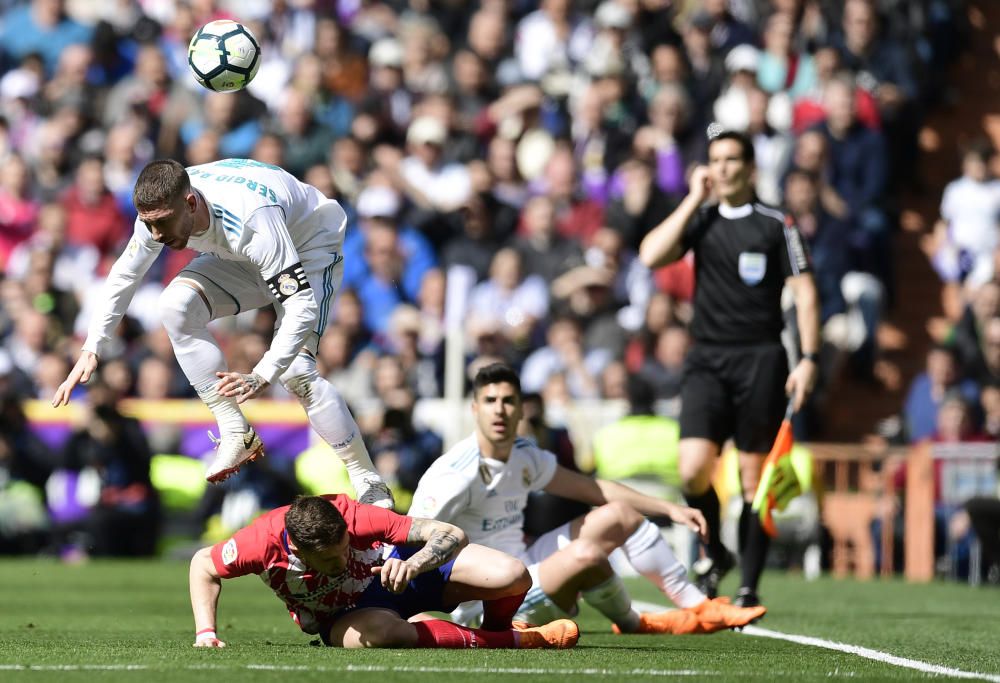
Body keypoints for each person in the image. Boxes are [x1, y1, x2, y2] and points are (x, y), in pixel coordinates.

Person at [50, 158, 392, 508]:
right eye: (148, 224)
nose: (156, 235)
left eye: (162, 223)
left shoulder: (252, 220)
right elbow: (125, 274)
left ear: (191, 203)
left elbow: (301, 306)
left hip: (308, 245)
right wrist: (92, 347)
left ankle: (368, 479)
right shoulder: (161, 208)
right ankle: (235, 430)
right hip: (241, 254)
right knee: (174, 307)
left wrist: (262, 374)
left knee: (296, 372)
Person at [410, 363, 766, 635]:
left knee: (620, 515)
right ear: (475, 409)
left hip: (526, 565)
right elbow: (407, 537)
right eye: (490, 401)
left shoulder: (525, 454)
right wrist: (412, 614)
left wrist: (670, 509)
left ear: (522, 410)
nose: (499, 410)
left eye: (508, 401)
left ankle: (699, 607)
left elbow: (595, 490)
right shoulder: (455, 473)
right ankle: (633, 623)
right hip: (487, 598)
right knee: (586, 555)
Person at [638, 130, 820, 607]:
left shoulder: (776, 222)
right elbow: (650, 254)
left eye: (732, 159)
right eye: (715, 159)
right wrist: (692, 198)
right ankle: (715, 552)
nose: (722, 168)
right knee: (694, 470)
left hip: (760, 358)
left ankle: (748, 589)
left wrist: (808, 359)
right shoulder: (700, 219)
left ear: (750, 167)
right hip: (706, 358)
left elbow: (805, 293)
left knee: (752, 481)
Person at [188, 493, 578, 649]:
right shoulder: (261, 543)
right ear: (299, 549)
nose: (342, 562)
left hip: (404, 574)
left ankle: (497, 629)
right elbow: (203, 563)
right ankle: (516, 641)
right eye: (329, 561)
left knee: (511, 574)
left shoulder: (353, 515)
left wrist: (413, 563)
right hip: (348, 616)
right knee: (376, 636)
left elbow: (451, 534)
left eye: (345, 549)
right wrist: (206, 633)